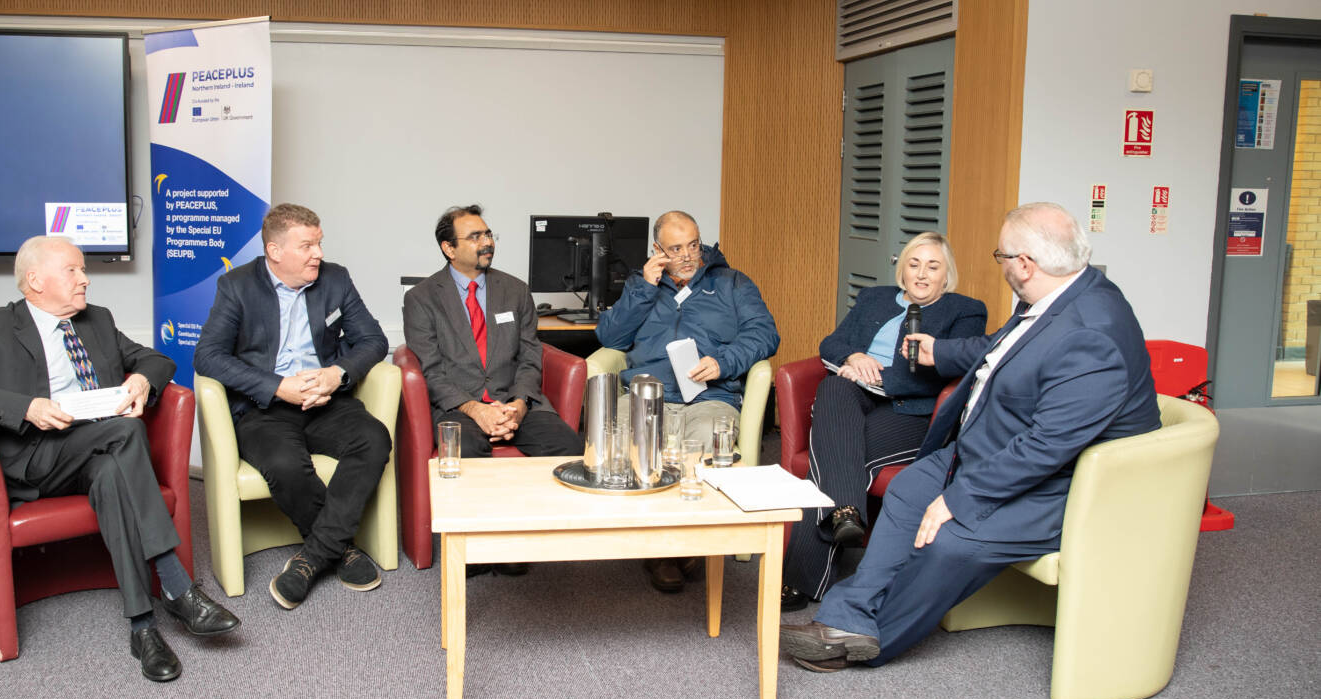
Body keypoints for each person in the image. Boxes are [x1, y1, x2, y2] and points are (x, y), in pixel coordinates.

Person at [780, 203, 1160, 671]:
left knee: (952, 541)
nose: (1000, 265)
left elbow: (1047, 447)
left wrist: (960, 497)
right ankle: (846, 615)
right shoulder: (1057, 295)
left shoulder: (1092, 333)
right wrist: (939, 352)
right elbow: (1002, 346)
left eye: (1001, 256)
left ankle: (871, 637)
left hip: (1063, 484)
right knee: (907, 490)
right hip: (987, 448)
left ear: (1025, 264)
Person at [0, 235, 240, 683]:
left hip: (98, 453)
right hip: (37, 458)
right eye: (72, 270)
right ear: (35, 280)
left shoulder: (97, 321)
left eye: (83, 270)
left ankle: (142, 627)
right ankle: (176, 584)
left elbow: (155, 360)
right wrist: (24, 407)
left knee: (112, 471)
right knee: (126, 431)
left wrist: (142, 381)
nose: (85, 279)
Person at [193, 203, 391, 610]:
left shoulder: (335, 279)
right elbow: (208, 356)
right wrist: (277, 387)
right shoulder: (237, 286)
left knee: (373, 439)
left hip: (326, 400)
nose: (319, 253)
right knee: (284, 464)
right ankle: (340, 549)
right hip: (265, 407)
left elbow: (374, 340)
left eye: (319, 243)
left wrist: (336, 374)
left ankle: (313, 557)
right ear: (275, 251)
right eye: (307, 246)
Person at [780, 232, 986, 612]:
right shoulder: (873, 298)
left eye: (933, 267)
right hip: (854, 394)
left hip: (912, 410)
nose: (921, 274)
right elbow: (831, 344)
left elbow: (955, 370)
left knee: (836, 454)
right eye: (914, 264)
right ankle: (846, 511)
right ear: (902, 269)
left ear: (946, 275)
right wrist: (855, 357)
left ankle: (801, 578)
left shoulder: (965, 310)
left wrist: (879, 378)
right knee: (833, 388)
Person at [595, 209, 780, 593]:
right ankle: (666, 549)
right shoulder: (642, 284)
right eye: (676, 248)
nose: (687, 256)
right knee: (632, 443)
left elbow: (764, 334)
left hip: (710, 395)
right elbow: (610, 337)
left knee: (702, 449)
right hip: (650, 392)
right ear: (657, 249)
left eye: (693, 245)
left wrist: (724, 362)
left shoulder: (732, 283)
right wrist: (644, 289)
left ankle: (681, 545)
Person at [403, 205, 583, 576]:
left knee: (568, 445)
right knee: (467, 450)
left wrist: (518, 404)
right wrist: (476, 409)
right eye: (475, 237)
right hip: (458, 406)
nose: (487, 242)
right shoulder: (422, 298)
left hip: (515, 399)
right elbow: (431, 371)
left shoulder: (515, 290)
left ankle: (526, 537)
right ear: (449, 248)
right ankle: (476, 547)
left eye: (488, 234)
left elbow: (531, 357)